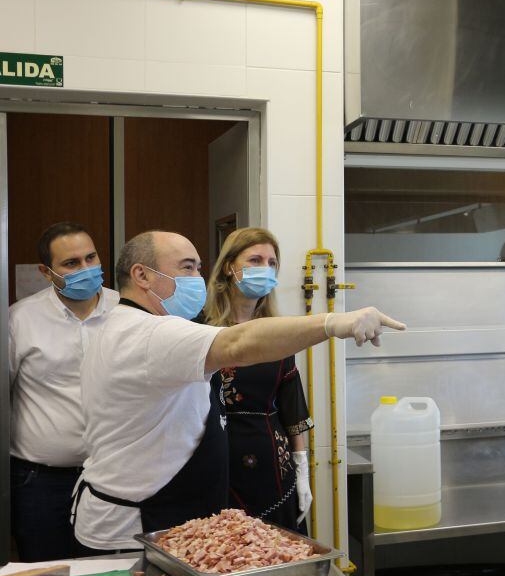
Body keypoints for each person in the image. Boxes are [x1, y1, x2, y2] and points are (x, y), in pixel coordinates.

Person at [73, 230, 405, 551]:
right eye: (187, 267)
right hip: (136, 523)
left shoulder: (125, 325)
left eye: (199, 268)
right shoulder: (149, 334)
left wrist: (301, 466)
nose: (196, 278)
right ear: (141, 275)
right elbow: (239, 342)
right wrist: (334, 323)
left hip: (173, 504)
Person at [8, 223, 119, 560]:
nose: (86, 269)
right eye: (71, 263)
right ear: (46, 272)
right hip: (41, 483)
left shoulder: (124, 311)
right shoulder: (19, 320)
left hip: (112, 478)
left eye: (91, 257)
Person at [203, 228, 313, 530]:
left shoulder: (278, 333)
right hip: (217, 462)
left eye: (272, 262)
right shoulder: (201, 330)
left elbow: (293, 408)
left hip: (274, 467)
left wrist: (302, 470)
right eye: (254, 259)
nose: (265, 268)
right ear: (229, 266)